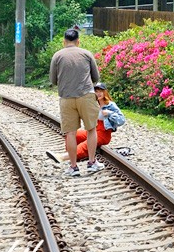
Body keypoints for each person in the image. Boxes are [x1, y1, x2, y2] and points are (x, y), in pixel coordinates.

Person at [49, 28, 103, 177]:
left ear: (64, 41)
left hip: (66, 98)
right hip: (86, 95)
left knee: (70, 133)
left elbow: (53, 80)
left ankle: (73, 167)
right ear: (78, 41)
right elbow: (95, 77)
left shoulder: (57, 56)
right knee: (91, 129)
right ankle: (92, 163)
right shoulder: (86, 54)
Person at [46, 83, 125, 165]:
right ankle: (71, 156)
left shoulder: (110, 105)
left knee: (86, 144)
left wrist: (109, 113)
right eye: (96, 91)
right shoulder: (92, 103)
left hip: (103, 134)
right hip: (92, 130)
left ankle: (63, 157)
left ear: (105, 92)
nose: (98, 94)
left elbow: (122, 120)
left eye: (100, 91)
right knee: (74, 135)